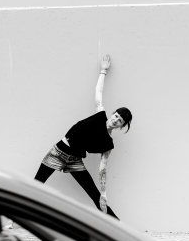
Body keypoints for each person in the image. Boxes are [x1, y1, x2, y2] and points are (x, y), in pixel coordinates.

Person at [33, 55, 132, 220]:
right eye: (115, 116)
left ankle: (117, 226)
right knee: (36, 185)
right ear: (113, 114)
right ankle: (11, 219)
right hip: (57, 153)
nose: (115, 120)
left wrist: (104, 192)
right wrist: (103, 70)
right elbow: (98, 91)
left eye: (119, 121)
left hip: (75, 160)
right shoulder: (101, 114)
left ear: (121, 126)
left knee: (95, 195)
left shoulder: (108, 145)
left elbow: (102, 169)